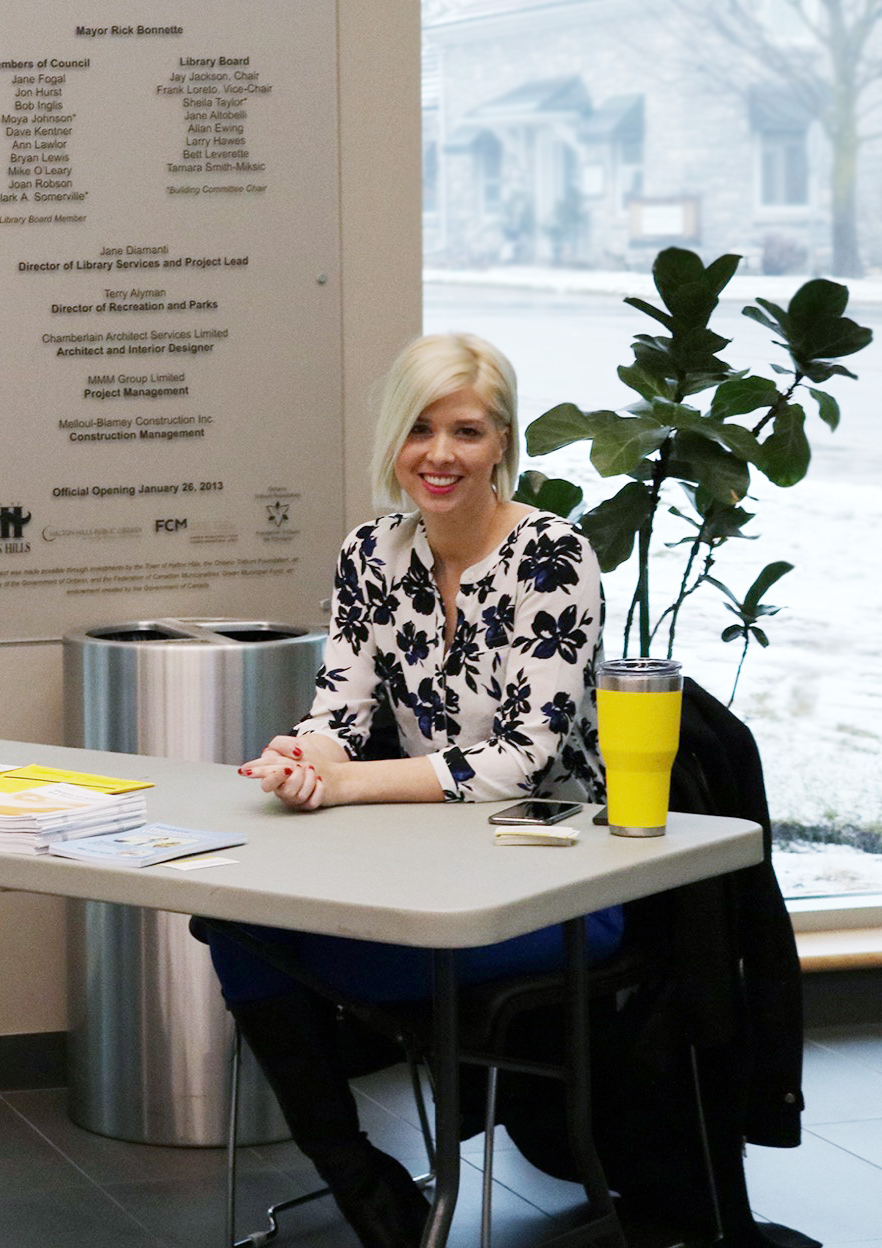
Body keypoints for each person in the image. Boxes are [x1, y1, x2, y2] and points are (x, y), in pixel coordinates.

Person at [211, 332, 614, 1248]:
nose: (441, 455)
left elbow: (518, 758)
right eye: (421, 430)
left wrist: (348, 789)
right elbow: (342, 709)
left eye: (467, 431)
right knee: (233, 926)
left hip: (555, 879)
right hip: (426, 866)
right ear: (395, 440)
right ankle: (358, 1177)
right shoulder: (370, 552)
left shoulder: (553, 557)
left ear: (502, 442)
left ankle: (382, 1192)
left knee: (277, 949)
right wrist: (304, 757)